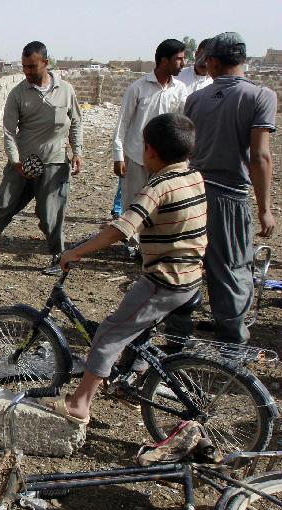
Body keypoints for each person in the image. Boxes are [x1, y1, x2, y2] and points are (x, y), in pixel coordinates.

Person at [42, 113, 207, 424]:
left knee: (109, 333)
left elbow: (121, 231)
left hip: (164, 282)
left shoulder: (157, 187)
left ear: (150, 151)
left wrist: (75, 251)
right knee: (136, 329)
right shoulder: (194, 176)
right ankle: (134, 376)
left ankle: (79, 403)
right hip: (191, 276)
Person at [184, 32, 277, 344]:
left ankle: (178, 334)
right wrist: (265, 209)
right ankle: (231, 341)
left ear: (211, 63)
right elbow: (260, 156)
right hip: (229, 196)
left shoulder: (195, 99)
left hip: (193, 193)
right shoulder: (260, 96)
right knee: (232, 267)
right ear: (243, 61)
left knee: (188, 262)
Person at [0, 41, 82, 275]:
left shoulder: (66, 90)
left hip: (55, 162)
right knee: (2, 206)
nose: (27, 71)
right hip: (22, 163)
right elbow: (8, 131)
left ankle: (59, 257)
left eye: (32, 66)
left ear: (46, 63)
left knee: (51, 213)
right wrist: (16, 161)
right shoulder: (18, 93)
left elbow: (76, 121)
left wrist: (77, 151)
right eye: (24, 66)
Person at [111, 39, 187, 257]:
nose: (183, 63)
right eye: (179, 59)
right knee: (133, 200)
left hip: (166, 160)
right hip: (136, 155)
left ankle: (155, 244)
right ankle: (132, 244)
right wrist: (119, 155)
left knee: (163, 203)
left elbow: (182, 123)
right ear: (164, 60)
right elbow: (123, 123)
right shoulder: (138, 88)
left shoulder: (179, 90)